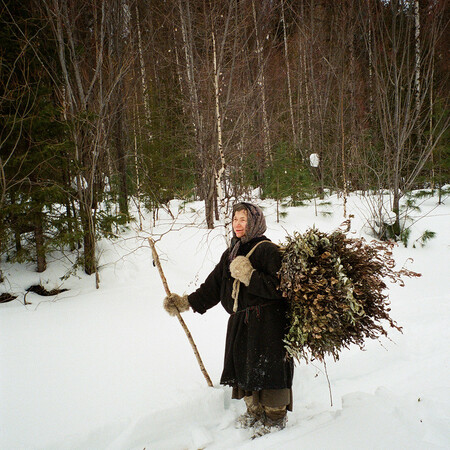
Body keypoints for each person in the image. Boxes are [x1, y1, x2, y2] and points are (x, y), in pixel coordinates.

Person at [163, 202, 294, 437]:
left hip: (268, 323)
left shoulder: (268, 250)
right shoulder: (231, 253)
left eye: (243, 219)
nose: (238, 224)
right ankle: (255, 412)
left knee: (269, 369)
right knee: (245, 367)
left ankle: (275, 417)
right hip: (241, 322)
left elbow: (282, 288)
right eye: (235, 219)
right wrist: (186, 302)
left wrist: (250, 276)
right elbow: (213, 286)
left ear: (254, 222)